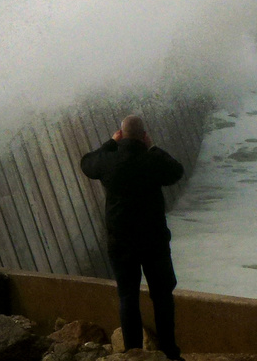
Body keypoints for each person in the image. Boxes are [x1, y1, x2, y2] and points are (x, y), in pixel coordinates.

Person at [80, 115, 185, 359]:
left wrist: (109, 143)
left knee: (128, 295)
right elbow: (176, 171)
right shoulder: (152, 160)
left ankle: (133, 351)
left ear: (121, 134)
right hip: (154, 241)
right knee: (162, 295)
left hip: (121, 241)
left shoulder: (109, 161)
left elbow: (87, 163)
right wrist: (154, 147)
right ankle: (169, 350)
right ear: (144, 136)